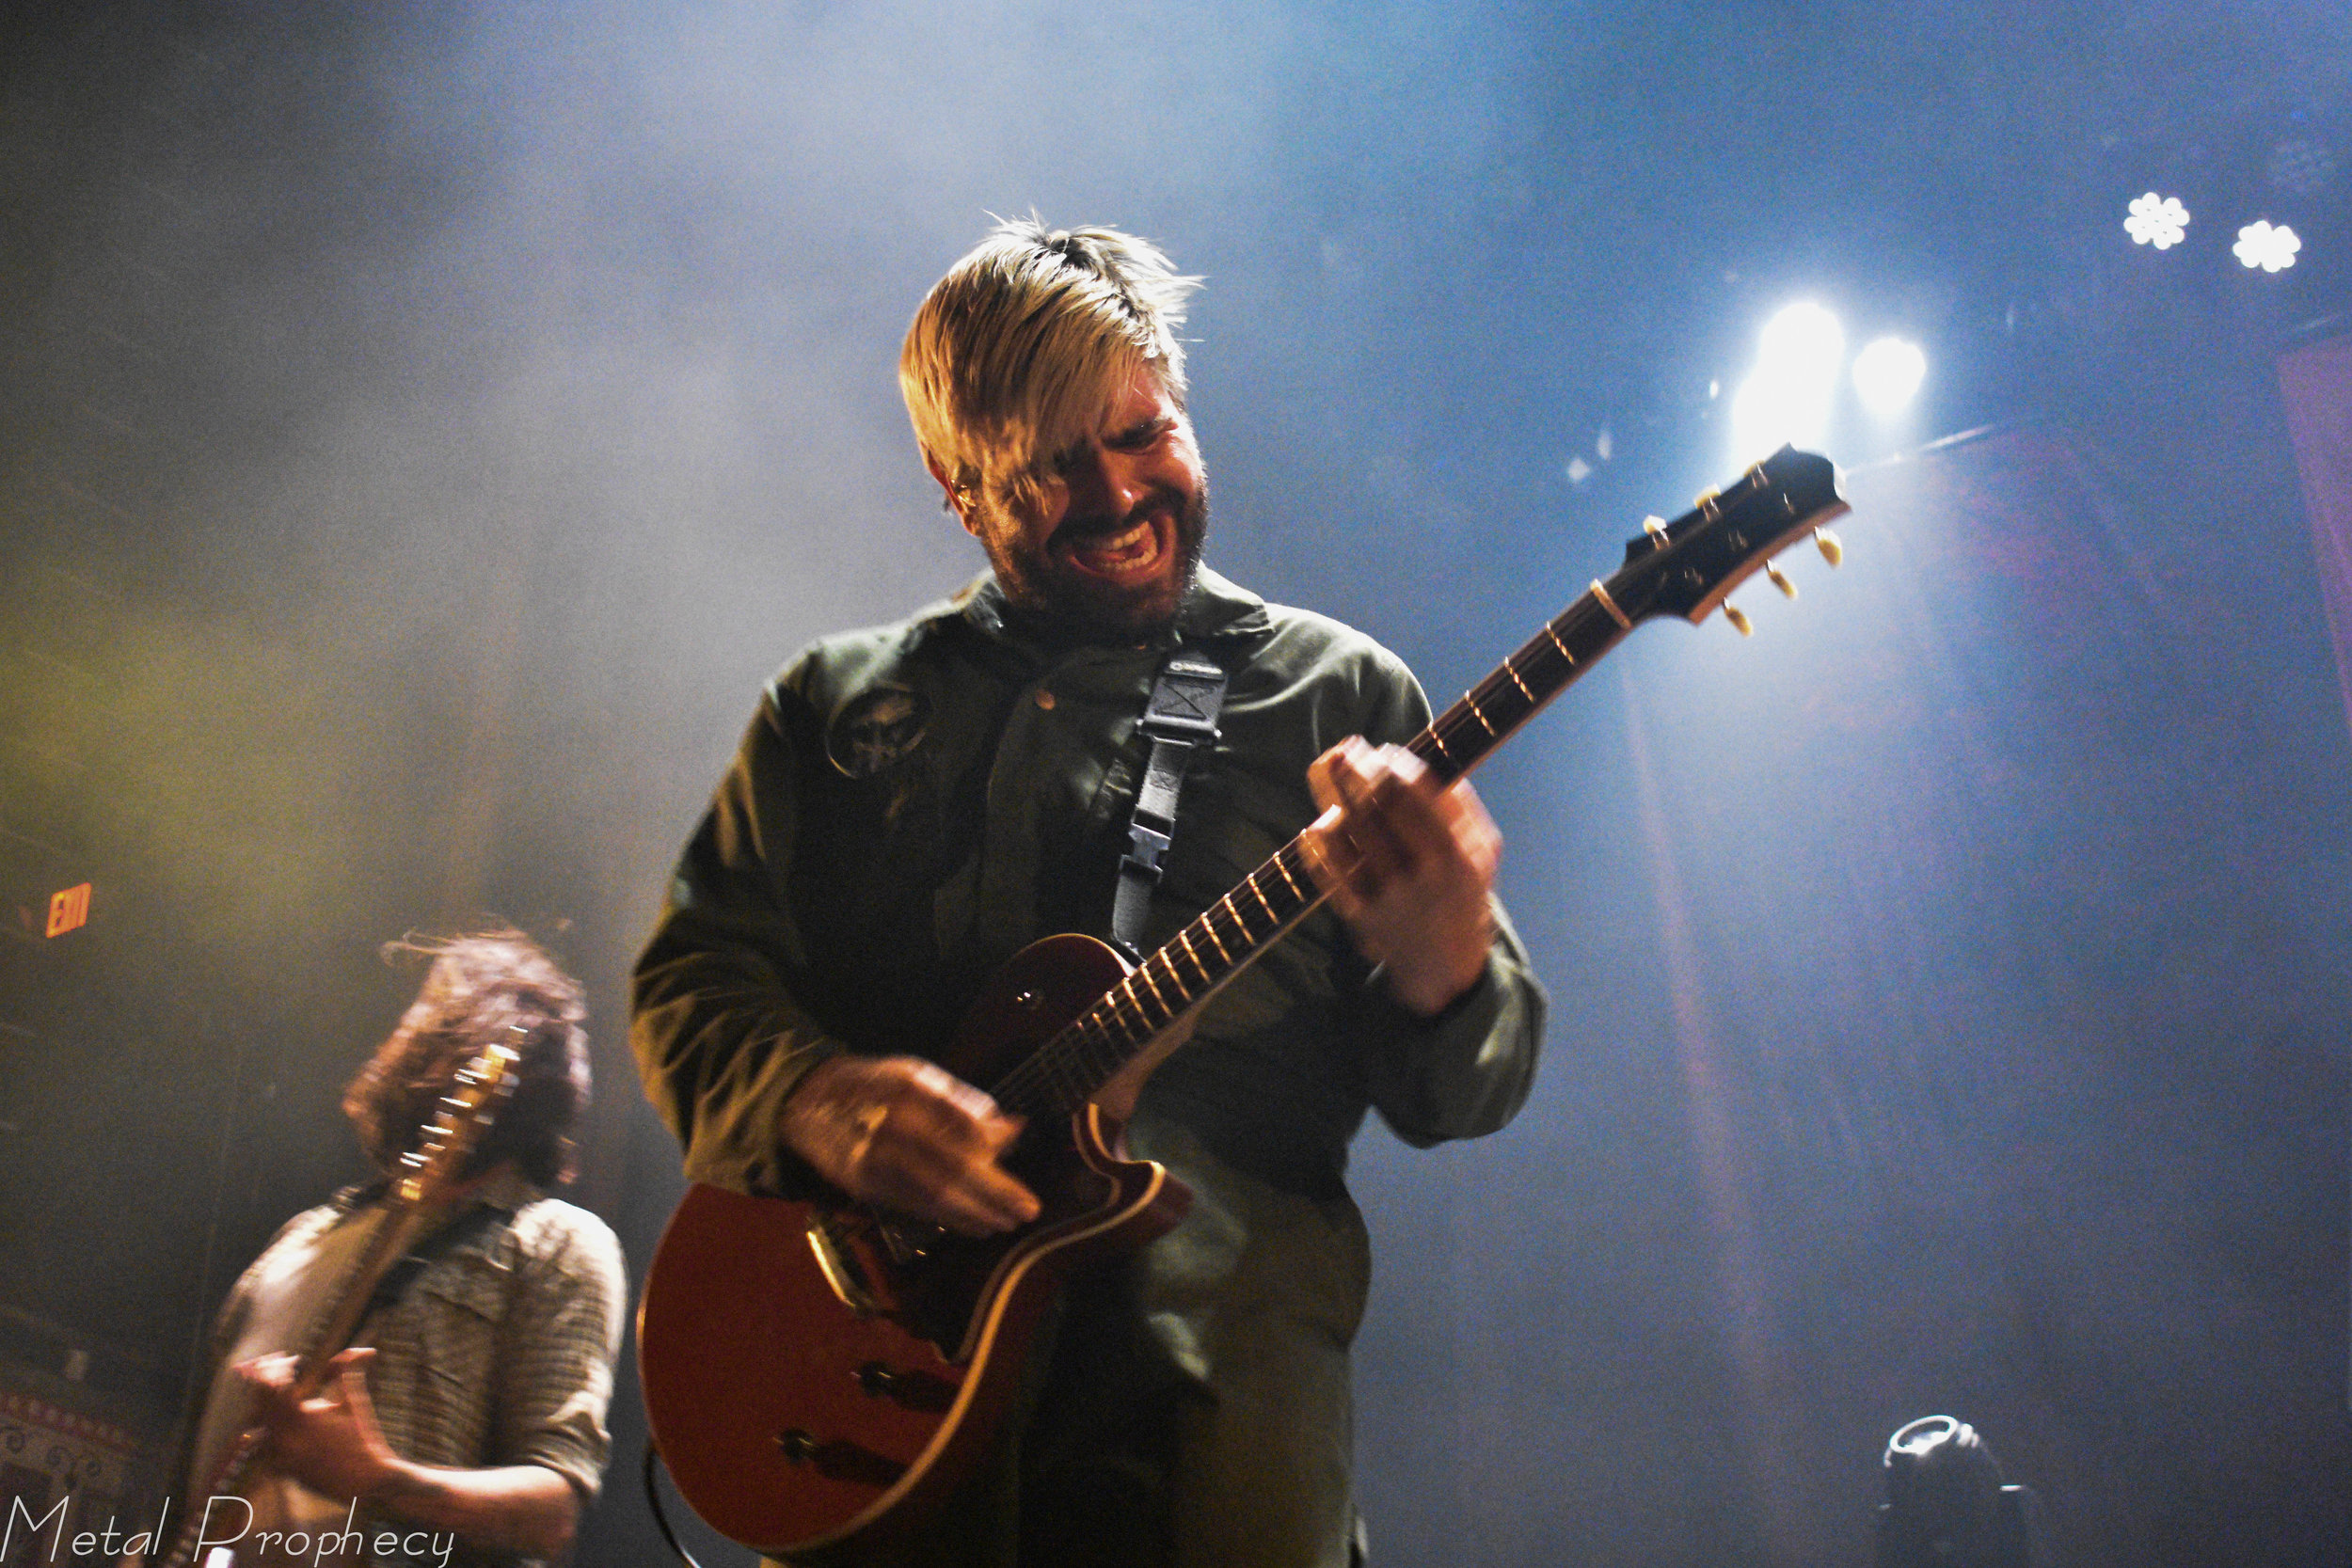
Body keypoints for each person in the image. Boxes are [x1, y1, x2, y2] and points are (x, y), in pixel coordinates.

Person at [631, 219, 1547, 1568]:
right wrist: (818, 1102)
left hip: (1209, 1434)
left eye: (1145, 433)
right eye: (1055, 466)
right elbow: (691, 979)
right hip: (879, 1442)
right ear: (957, 486)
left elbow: (1463, 1091)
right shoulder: (838, 704)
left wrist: (1448, 964)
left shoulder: (1340, 696)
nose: (1120, 494)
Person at [157, 930, 626, 1568]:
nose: (409, 1029)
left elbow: (552, 1512)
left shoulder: (558, 1244)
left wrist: (377, 1477)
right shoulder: (302, 1236)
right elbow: (187, 1486)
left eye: (435, 1010)